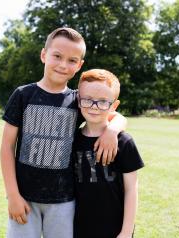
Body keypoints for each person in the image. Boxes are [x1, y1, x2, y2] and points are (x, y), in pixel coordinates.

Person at [0, 27, 127, 238]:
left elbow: (118, 116)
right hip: (24, 198)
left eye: (71, 60)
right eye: (57, 56)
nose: (62, 64)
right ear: (44, 55)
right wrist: (12, 194)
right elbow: (6, 147)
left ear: (79, 65)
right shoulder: (23, 95)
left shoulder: (78, 100)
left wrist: (112, 131)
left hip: (64, 201)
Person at [73, 69, 144, 238]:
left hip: (115, 229)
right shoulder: (72, 140)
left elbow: (131, 190)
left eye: (103, 101)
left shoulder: (124, 142)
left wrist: (126, 232)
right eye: (88, 100)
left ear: (114, 106)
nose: (94, 107)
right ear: (78, 100)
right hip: (78, 229)